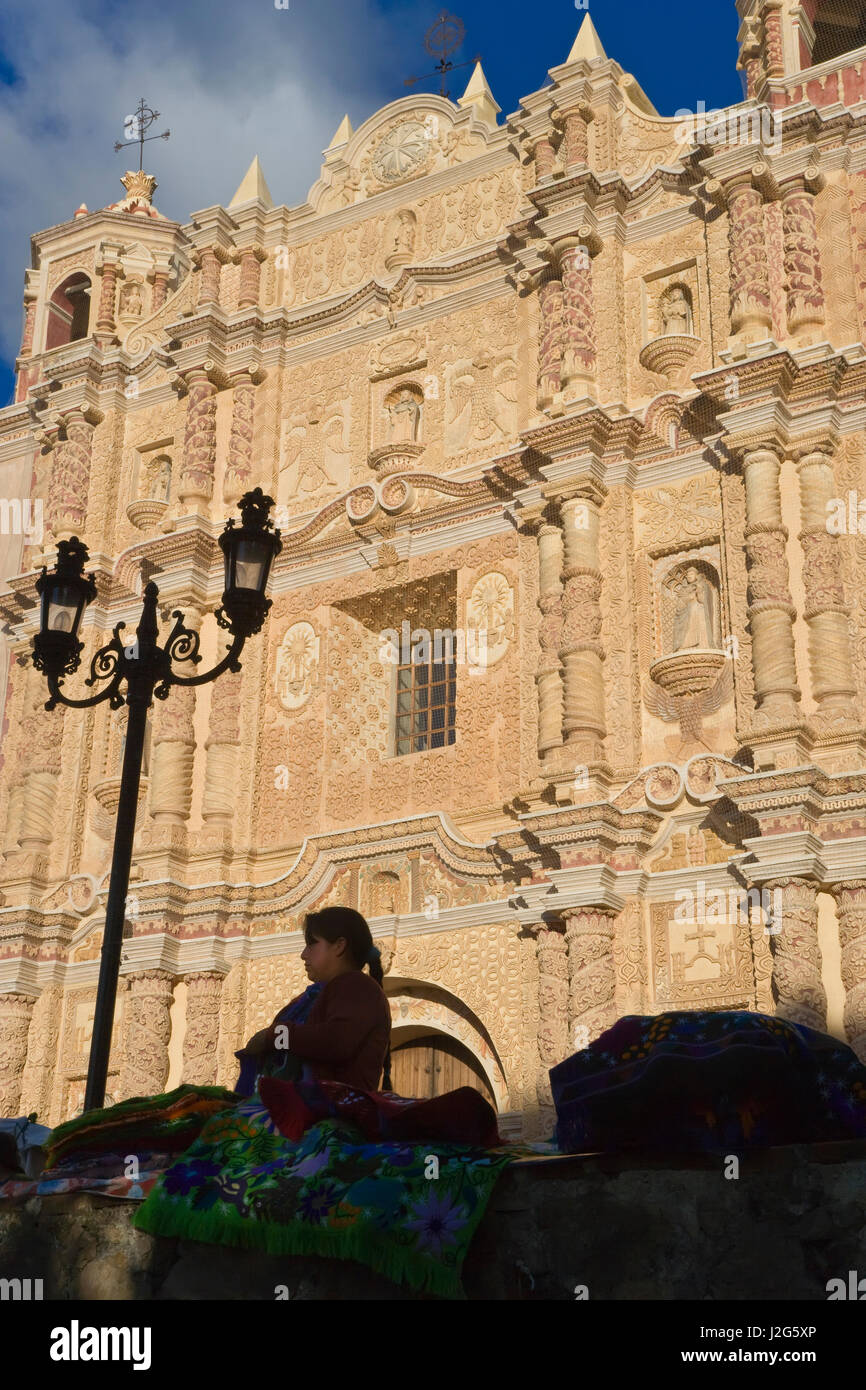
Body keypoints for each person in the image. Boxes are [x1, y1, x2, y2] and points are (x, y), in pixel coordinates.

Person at [234, 906, 392, 1096]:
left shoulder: (357, 986)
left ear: (339, 946)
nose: (303, 954)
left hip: (333, 1110)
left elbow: (335, 1042)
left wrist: (274, 1036)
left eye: (312, 944)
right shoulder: (317, 994)